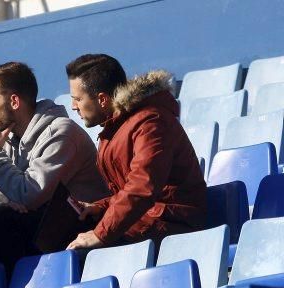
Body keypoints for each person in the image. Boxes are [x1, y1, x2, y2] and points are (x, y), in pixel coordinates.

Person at [64, 54, 206, 250]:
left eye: (77, 99)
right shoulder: (116, 126)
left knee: (79, 252)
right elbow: (130, 190)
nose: (73, 106)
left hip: (174, 223)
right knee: (63, 236)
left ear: (103, 100)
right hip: (148, 218)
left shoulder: (151, 122)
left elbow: (143, 187)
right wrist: (101, 206)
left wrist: (100, 234)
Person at [0, 62, 108, 267]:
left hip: (82, 227)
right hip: (45, 229)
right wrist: (6, 203)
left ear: (14, 101)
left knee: (0, 221)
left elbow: (31, 194)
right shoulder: (8, 141)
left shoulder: (62, 132)